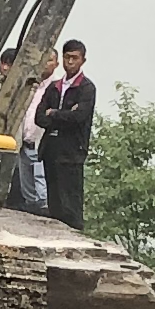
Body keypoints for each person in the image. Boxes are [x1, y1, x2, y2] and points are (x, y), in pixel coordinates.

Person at [30, 40, 98, 228]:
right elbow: (39, 117)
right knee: (55, 200)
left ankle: (74, 234)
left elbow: (79, 117)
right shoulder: (54, 86)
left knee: (71, 200)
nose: (70, 62)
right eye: (67, 57)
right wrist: (61, 115)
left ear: (82, 60)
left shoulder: (86, 88)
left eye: (75, 58)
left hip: (72, 151)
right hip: (51, 148)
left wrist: (54, 113)